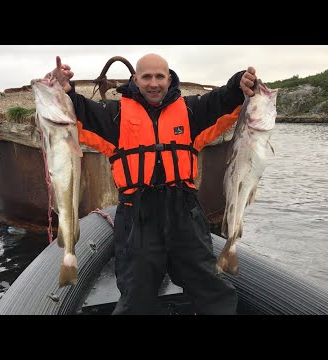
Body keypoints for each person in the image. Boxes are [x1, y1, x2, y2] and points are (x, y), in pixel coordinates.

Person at [46, 53, 258, 315]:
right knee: (136, 295)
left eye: (160, 76)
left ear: (169, 79)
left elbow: (222, 102)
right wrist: (66, 89)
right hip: (137, 217)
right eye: (147, 77)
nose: (154, 83)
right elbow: (78, 112)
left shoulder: (191, 111)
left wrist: (240, 83)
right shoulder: (114, 116)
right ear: (135, 79)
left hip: (185, 214)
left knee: (210, 286)